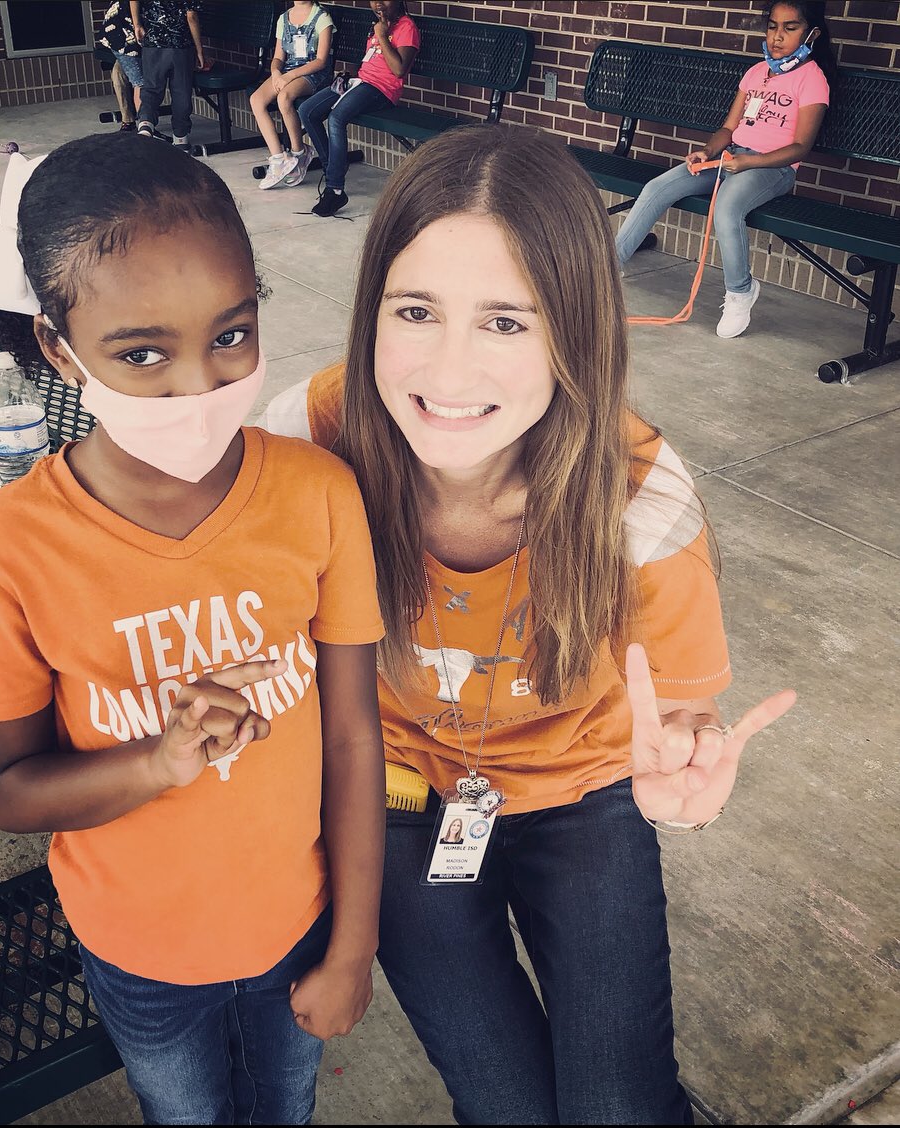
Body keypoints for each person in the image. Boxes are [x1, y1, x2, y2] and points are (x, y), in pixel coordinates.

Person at [263, 123, 796, 1124]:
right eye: (416, 310)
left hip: (585, 788)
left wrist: (683, 775)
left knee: (618, 1107)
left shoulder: (643, 496)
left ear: (574, 331)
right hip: (404, 797)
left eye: (508, 322)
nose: (450, 373)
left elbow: (680, 709)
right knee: (503, 1105)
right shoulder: (306, 438)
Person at [0, 132, 387, 1125]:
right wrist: (158, 762)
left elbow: (358, 732)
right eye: (141, 353)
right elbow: (10, 791)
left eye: (231, 335)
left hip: (300, 929)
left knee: (283, 1106)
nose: (200, 386)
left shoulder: (319, 493)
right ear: (59, 349)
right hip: (139, 951)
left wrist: (355, 940)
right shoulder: (10, 546)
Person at [616, 0, 834, 339]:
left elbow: (800, 147)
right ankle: (608, 267)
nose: (778, 36)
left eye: (790, 28)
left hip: (772, 167)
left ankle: (740, 290)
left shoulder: (812, 80)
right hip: (731, 157)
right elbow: (728, 128)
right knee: (657, 187)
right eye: (773, 26)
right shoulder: (755, 73)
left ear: (812, 33)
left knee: (728, 207)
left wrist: (750, 162)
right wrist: (706, 151)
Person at [298, 0, 419, 217]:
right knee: (307, 110)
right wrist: (349, 76)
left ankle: (335, 189)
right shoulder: (378, 25)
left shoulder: (406, 27)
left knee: (336, 118)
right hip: (361, 83)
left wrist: (382, 36)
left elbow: (399, 70)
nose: (378, 4)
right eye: (373, 0)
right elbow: (369, 62)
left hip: (382, 90)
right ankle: (332, 167)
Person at [249, 0, 334, 191]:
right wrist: (276, 73)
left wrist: (289, 76)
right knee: (256, 99)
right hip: (287, 72)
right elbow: (279, 57)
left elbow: (321, 61)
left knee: (284, 97)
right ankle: (279, 158)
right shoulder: (284, 18)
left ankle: (299, 152)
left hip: (313, 74)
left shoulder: (322, 17)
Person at [129, 0, 204, 148]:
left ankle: (146, 123)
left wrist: (137, 24)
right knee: (181, 91)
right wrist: (199, 50)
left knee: (151, 88)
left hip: (153, 43)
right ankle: (181, 136)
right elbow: (192, 16)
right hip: (181, 46)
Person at [97, 0, 143, 131]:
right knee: (136, 80)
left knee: (121, 74)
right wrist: (137, 25)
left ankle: (137, 121)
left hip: (123, 33)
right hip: (125, 33)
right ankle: (139, 123)